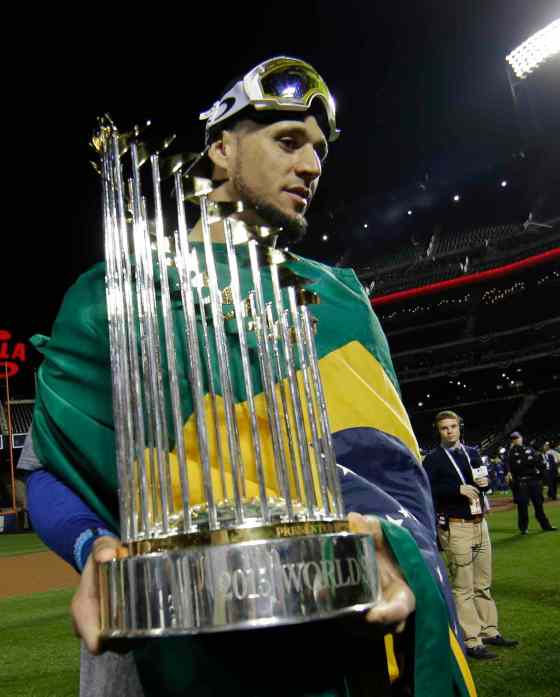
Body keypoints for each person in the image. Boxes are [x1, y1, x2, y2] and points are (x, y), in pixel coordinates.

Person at [27, 57, 474, 697]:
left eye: (319, 150)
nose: (312, 166)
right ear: (221, 149)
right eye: (287, 141)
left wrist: (393, 549)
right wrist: (91, 547)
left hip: (329, 658)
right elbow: (45, 470)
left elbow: (392, 479)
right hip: (156, 661)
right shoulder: (111, 298)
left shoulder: (340, 300)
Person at [423, 410, 518, 660]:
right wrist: (456, 489)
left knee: (483, 583)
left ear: (459, 427)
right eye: (444, 428)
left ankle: (489, 630)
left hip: (479, 523)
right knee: (463, 587)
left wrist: (485, 485)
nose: (449, 431)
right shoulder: (432, 460)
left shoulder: (473, 453)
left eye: (453, 426)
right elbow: (428, 491)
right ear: (438, 431)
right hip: (456, 527)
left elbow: (480, 480)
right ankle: (472, 640)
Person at [506, 432, 557, 534]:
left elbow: (539, 464)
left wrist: (544, 480)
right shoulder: (510, 453)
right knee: (522, 506)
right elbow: (511, 469)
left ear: (521, 438)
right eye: (513, 439)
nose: (515, 440)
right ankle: (523, 528)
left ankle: (545, 525)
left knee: (539, 505)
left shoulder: (530, 449)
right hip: (521, 483)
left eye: (517, 438)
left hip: (534, 481)